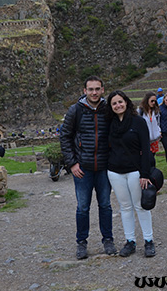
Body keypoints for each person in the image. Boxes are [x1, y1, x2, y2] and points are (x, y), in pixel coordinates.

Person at [59, 76, 117, 260]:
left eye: (97, 89)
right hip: (82, 168)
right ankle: (81, 242)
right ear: (84, 91)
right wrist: (72, 163)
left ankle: (108, 239)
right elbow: (65, 137)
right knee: (83, 207)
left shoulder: (108, 110)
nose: (94, 92)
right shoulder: (75, 110)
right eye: (90, 89)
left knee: (106, 205)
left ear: (102, 90)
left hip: (104, 167)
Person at [106, 90, 156, 258]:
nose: (118, 105)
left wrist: (145, 174)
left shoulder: (138, 122)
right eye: (114, 103)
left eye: (120, 102)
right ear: (111, 107)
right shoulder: (110, 124)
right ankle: (130, 241)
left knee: (140, 206)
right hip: (115, 172)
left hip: (135, 172)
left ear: (126, 102)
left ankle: (148, 240)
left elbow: (145, 149)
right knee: (125, 207)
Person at [137, 92, 162, 162]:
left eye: (155, 101)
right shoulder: (140, 112)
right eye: (152, 101)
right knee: (148, 159)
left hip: (154, 140)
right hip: (145, 141)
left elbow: (158, 123)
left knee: (152, 159)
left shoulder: (155, 111)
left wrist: (159, 131)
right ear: (147, 100)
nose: (153, 103)